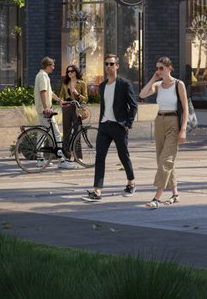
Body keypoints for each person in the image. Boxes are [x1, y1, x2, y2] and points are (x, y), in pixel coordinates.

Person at [84, 54, 139, 202]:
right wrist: (101, 122)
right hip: (104, 126)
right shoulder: (102, 86)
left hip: (119, 126)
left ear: (117, 66)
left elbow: (133, 105)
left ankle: (131, 182)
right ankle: (97, 190)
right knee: (99, 157)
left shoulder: (124, 84)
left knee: (123, 155)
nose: (108, 66)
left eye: (111, 64)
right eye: (106, 64)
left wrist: (128, 124)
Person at [138, 57, 189, 208]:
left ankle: (157, 197)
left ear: (169, 68)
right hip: (159, 121)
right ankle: (175, 193)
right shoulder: (158, 85)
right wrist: (153, 78)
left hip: (174, 122)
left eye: (161, 68)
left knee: (166, 159)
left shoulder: (179, 84)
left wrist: (183, 130)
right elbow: (142, 95)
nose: (159, 71)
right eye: (157, 68)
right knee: (162, 158)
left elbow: (185, 108)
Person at [33, 57, 64, 164]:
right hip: (45, 111)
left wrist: (59, 100)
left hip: (43, 110)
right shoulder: (42, 76)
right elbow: (43, 92)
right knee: (56, 134)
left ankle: (40, 158)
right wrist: (46, 108)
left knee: (42, 134)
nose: (54, 67)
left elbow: (49, 92)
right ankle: (62, 160)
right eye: (52, 65)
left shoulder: (43, 75)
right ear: (47, 65)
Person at [60, 64, 87, 167]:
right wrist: (61, 102)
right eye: (68, 71)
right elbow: (61, 97)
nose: (69, 73)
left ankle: (77, 156)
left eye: (71, 71)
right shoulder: (65, 84)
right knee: (66, 132)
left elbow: (86, 98)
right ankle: (66, 156)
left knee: (77, 131)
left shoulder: (82, 83)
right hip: (66, 109)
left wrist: (77, 94)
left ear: (76, 72)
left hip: (77, 109)